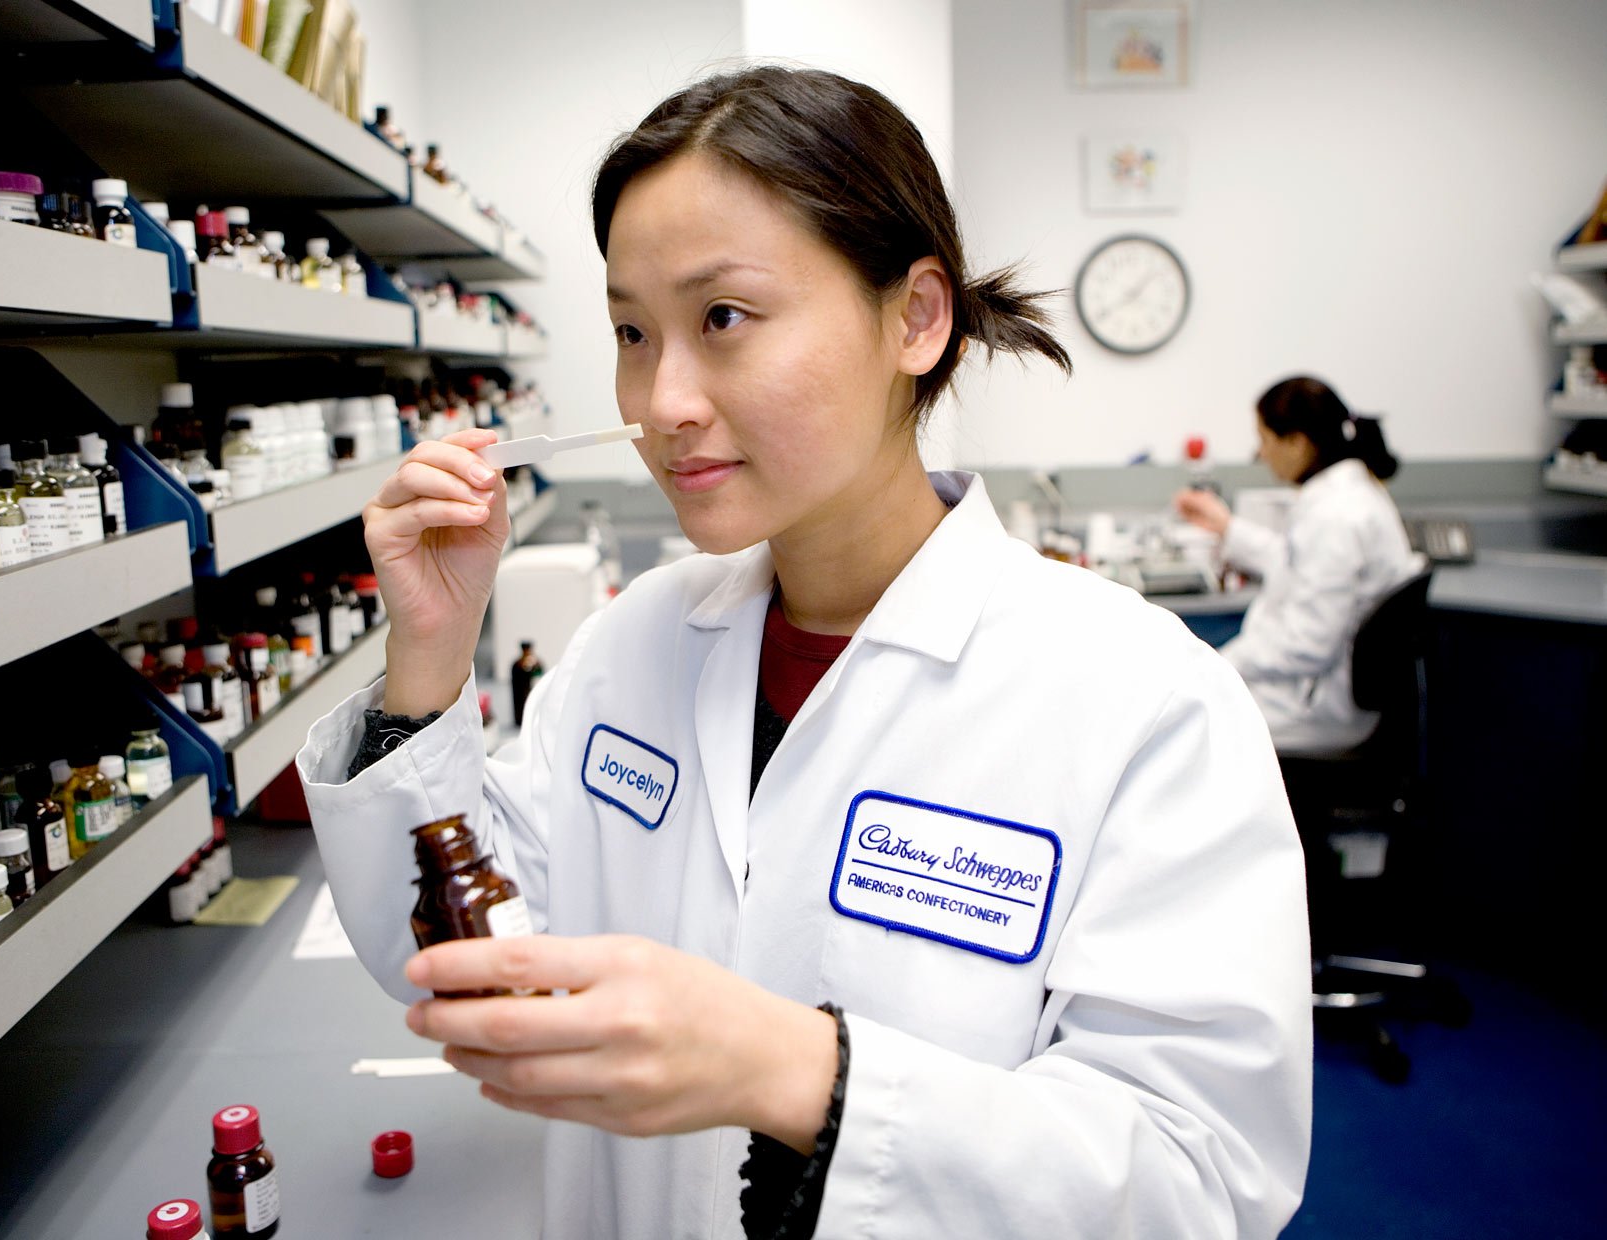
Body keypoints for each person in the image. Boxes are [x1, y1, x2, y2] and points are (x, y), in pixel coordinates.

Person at [300, 67, 1310, 1239]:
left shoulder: (1145, 702)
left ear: (916, 318)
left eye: (722, 318)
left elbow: (1199, 1183)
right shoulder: (632, 645)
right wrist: (430, 654)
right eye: (633, 331)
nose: (661, 399)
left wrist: (800, 1077)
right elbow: (460, 964)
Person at [1175, 377, 1419, 754]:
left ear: (1297, 443)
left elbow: (1307, 644)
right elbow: (1291, 561)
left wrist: (1221, 663)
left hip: (1318, 706)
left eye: (1265, 439)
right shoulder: (1346, 497)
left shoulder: (1338, 516)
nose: (1261, 453)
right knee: (1195, 703)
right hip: (1319, 688)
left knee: (1189, 724)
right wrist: (1226, 526)